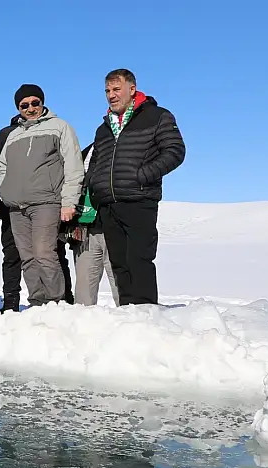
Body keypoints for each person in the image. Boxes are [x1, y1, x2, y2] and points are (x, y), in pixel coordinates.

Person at [86, 69, 186, 306]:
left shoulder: (157, 116)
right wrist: (97, 185)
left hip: (139, 200)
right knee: (119, 263)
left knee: (139, 259)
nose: (111, 95)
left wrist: (143, 175)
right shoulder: (104, 128)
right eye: (107, 91)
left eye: (116, 89)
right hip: (109, 203)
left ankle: (146, 315)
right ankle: (127, 314)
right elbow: (96, 162)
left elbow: (175, 151)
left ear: (132, 89)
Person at [0, 84, 83, 308]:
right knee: (27, 257)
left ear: (42, 103)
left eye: (35, 103)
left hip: (46, 202)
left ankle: (56, 302)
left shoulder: (59, 127)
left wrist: (69, 202)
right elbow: (2, 166)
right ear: (18, 108)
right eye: (24, 105)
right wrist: (4, 192)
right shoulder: (13, 135)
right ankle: (37, 301)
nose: (31, 108)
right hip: (16, 207)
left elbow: (73, 165)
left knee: (44, 252)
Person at [70, 145, 120, 305]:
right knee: (84, 290)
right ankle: (83, 325)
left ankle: (131, 321)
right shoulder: (86, 152)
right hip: (86, 229)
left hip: (114, 227)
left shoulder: (121, 151)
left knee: (121, 283)